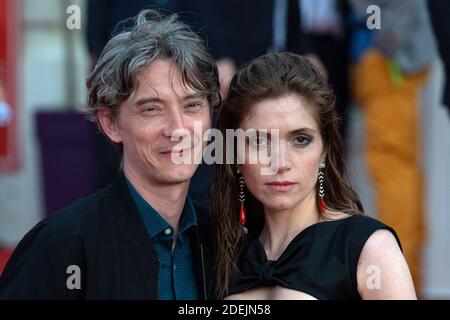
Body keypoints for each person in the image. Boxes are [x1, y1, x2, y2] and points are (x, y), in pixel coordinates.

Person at [0, 9, 220, 299]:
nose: (178, 129)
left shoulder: (222, 242)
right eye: (152, 108)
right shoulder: (60, 245)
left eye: (192, 105)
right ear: (111, 123)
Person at [211, 52, 416, 300]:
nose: (281, 163)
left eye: (300, 140)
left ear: (324, 150)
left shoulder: (368, 248)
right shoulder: (220, 251)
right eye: (259, 141)